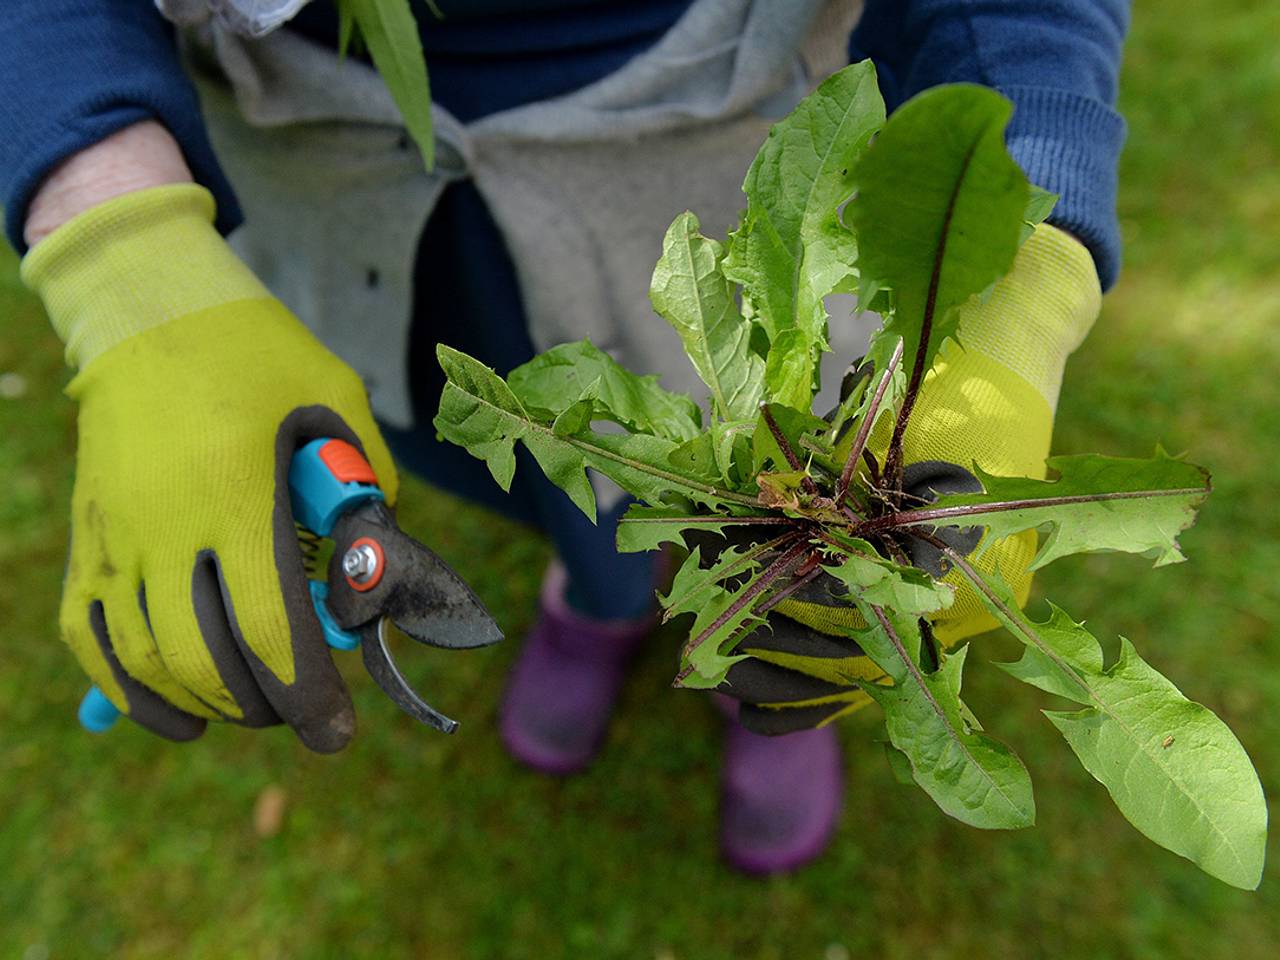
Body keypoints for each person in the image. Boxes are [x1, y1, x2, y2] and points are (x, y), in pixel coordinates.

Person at [0, 0, 1128, 873]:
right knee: (512, 454)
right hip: (338, 162)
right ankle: (593, 597)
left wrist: (1017, 293)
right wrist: (120, 252)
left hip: (705, 141)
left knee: (759, 480)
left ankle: (761, 679)